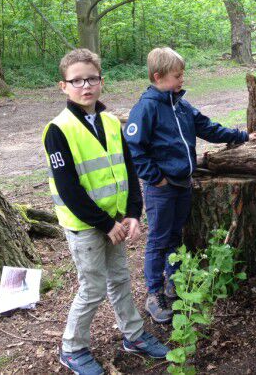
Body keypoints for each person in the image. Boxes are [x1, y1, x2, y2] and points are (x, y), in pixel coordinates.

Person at [43, 48, 169, 375]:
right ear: (63, 86)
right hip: (86, 225)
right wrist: (105, 224)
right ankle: (72, 348)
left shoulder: (111, 122)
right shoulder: (58, 130)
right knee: (93, 287)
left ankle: (134, 335)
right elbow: (69, 188)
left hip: (115, 220)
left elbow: (128, 169)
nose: (85, 86)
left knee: (120, 279)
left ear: (101, 81)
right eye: (77, 80)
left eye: (92, 79)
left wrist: (133, 214)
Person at [125, 47, 256, 323]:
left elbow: (208, 128)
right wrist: (156, 178)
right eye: (177, 75)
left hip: (182, 184)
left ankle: (174, 281)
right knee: (159, 239)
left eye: (182, 74)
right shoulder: (147, 108)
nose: (182, 79)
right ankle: (154, 293)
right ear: (158, 76)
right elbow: (134, 148)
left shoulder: (181, 106)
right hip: (161, 188)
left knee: (176, 236)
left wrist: (241, 136)